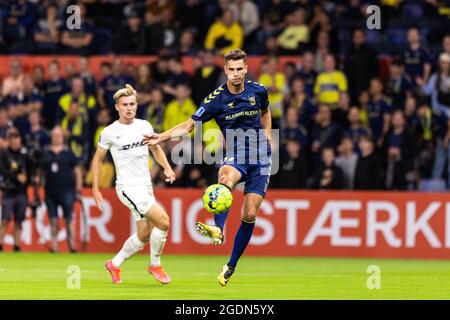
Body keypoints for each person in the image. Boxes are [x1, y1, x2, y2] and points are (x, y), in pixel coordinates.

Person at [143, 49, 272, 286]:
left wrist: (268, 137)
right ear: (225, 70)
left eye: (239, 69)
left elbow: (265, 112)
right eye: (231, 69)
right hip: (236, 154)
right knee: (224, 180)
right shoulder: (216, 99)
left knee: (250, 213)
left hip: (261, 156)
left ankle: (230, 265)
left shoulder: (259, 91)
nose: (235, 74)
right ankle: (218, 229)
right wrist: (161, 137)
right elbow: (189, 125)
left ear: (245, 69)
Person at [91, 84, 175, 285]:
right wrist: (96, 189)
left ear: (136, 106)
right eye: (125, 105)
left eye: (132, 104)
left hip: (145, 185)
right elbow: (97, 160)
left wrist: (166, 167)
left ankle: (115, 263)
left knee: (144, 234)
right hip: (128, 188)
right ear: (117, 108)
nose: (129, 108)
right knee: (163, 222)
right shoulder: (110, 132)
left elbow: (156, 149)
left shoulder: (144, 126)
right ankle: (155, 264)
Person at [40, 127, 82, 253]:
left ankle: (72, 245)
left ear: (63, 137)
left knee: (69, 219)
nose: (57, 138)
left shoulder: (69, 153)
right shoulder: (46, 152)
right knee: (53, 219)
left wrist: (78, 188)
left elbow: (77, 171)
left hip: (67, 190)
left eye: (59, 135)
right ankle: (54, 246)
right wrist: (38, 186)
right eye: (54, 135)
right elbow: (41, 172)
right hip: (50, 191)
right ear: (51, 137)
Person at [0, 128, 31, 252]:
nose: (17, 144)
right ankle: (0, 244)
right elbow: (2, 171)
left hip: (21, 193)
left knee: (19, 221)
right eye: (14, 142)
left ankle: (17, 246)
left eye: (18, 142)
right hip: (8, 192)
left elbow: (30, 170)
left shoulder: (24, 155)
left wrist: (27, 178)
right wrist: (16, 177)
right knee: (5, 219)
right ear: (10, 142)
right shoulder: (4, 154)